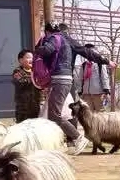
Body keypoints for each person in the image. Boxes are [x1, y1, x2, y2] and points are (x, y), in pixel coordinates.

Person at [33, 23, 99, 155]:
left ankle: (78, 138)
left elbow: (47, 50)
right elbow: (85, 52)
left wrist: (37, 49)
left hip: (60, 79)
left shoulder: (53, 38)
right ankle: (58, 142)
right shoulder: (65, 40)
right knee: (53, 115)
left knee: (55, 115)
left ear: (47, 31)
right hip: (63, 79)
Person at [11, 50, 44, 124]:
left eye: (32, 58)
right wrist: (34, 79)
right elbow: (20, 81)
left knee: (35, 123)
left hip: (36, 103)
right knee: (23, 124)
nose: (31, 60)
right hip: (23, 105)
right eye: (28, 57)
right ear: (21, 60)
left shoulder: (36, 71)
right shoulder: (18, 71)